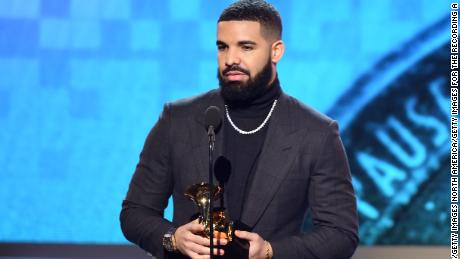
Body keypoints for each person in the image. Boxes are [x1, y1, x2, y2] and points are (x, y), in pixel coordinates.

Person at [120, 1, 359, 258]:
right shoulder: (177, 120)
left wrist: (270, 251)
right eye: (222, 47)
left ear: (276, 51)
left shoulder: (316, 133)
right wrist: (173, 239)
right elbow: (135, 212)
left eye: (246, 47)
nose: (230, 59)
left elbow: (340, 234)